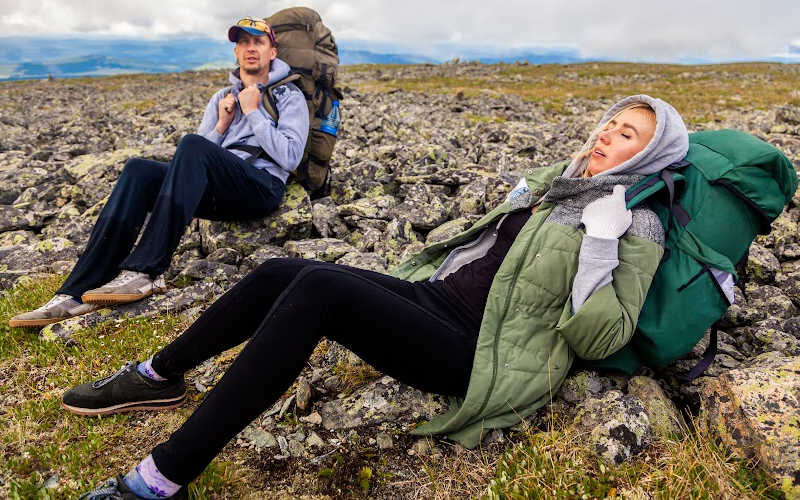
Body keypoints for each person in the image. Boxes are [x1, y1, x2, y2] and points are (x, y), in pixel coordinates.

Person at [71, 94, 688, 499]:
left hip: (479, 353)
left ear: (652, 154)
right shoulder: (558, 185)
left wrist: (603, 244)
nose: (607, 132)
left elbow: (601, 336)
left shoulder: (635, 222)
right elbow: (487, 259)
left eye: (628, 132)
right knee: (280, 268)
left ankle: (162, 478)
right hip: (437, 302)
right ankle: (160, 374)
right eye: (611, 120)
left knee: (319, 288)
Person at [9, 18, 309, 328]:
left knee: (191, 145)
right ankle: (75, 292)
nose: (250, 49)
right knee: (138, 170)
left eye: (258, 42)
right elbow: (198, 157)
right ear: (235, 51)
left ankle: (145, 272)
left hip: (261, 188)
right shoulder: (221, 98)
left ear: (272, 52)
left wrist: (253, 112)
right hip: (222, 188)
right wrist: (222, 124)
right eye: (243, 42)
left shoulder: (290, 96)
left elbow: (289, 157)